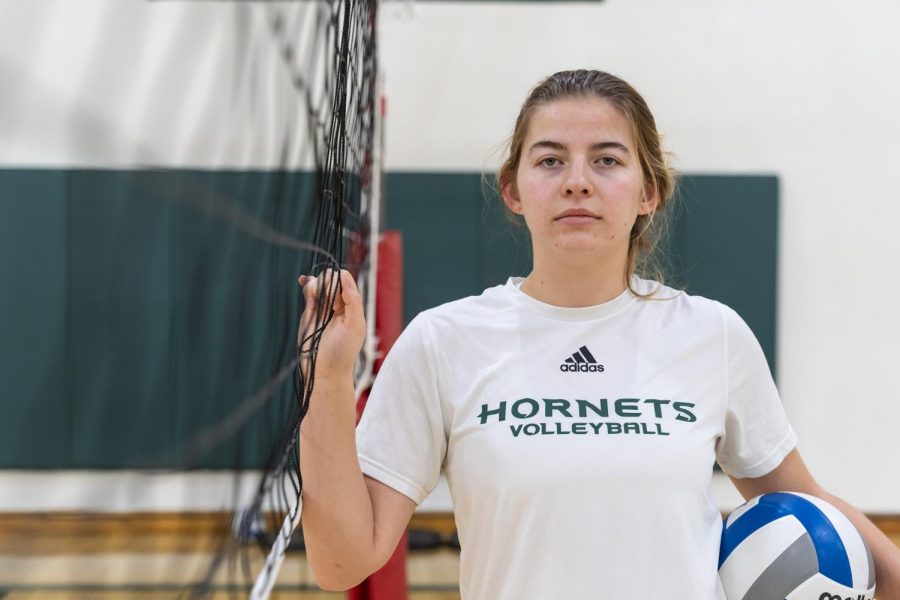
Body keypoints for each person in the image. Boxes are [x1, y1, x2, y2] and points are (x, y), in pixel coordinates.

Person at [297, 70, 900, 598]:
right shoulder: (442, 341)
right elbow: (340, 561)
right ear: (513, 188)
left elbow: (808, 502)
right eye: (550, 159)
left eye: (607, 159)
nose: (577, 181)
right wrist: (326, 381)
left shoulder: (712, 335)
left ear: (648, 191)